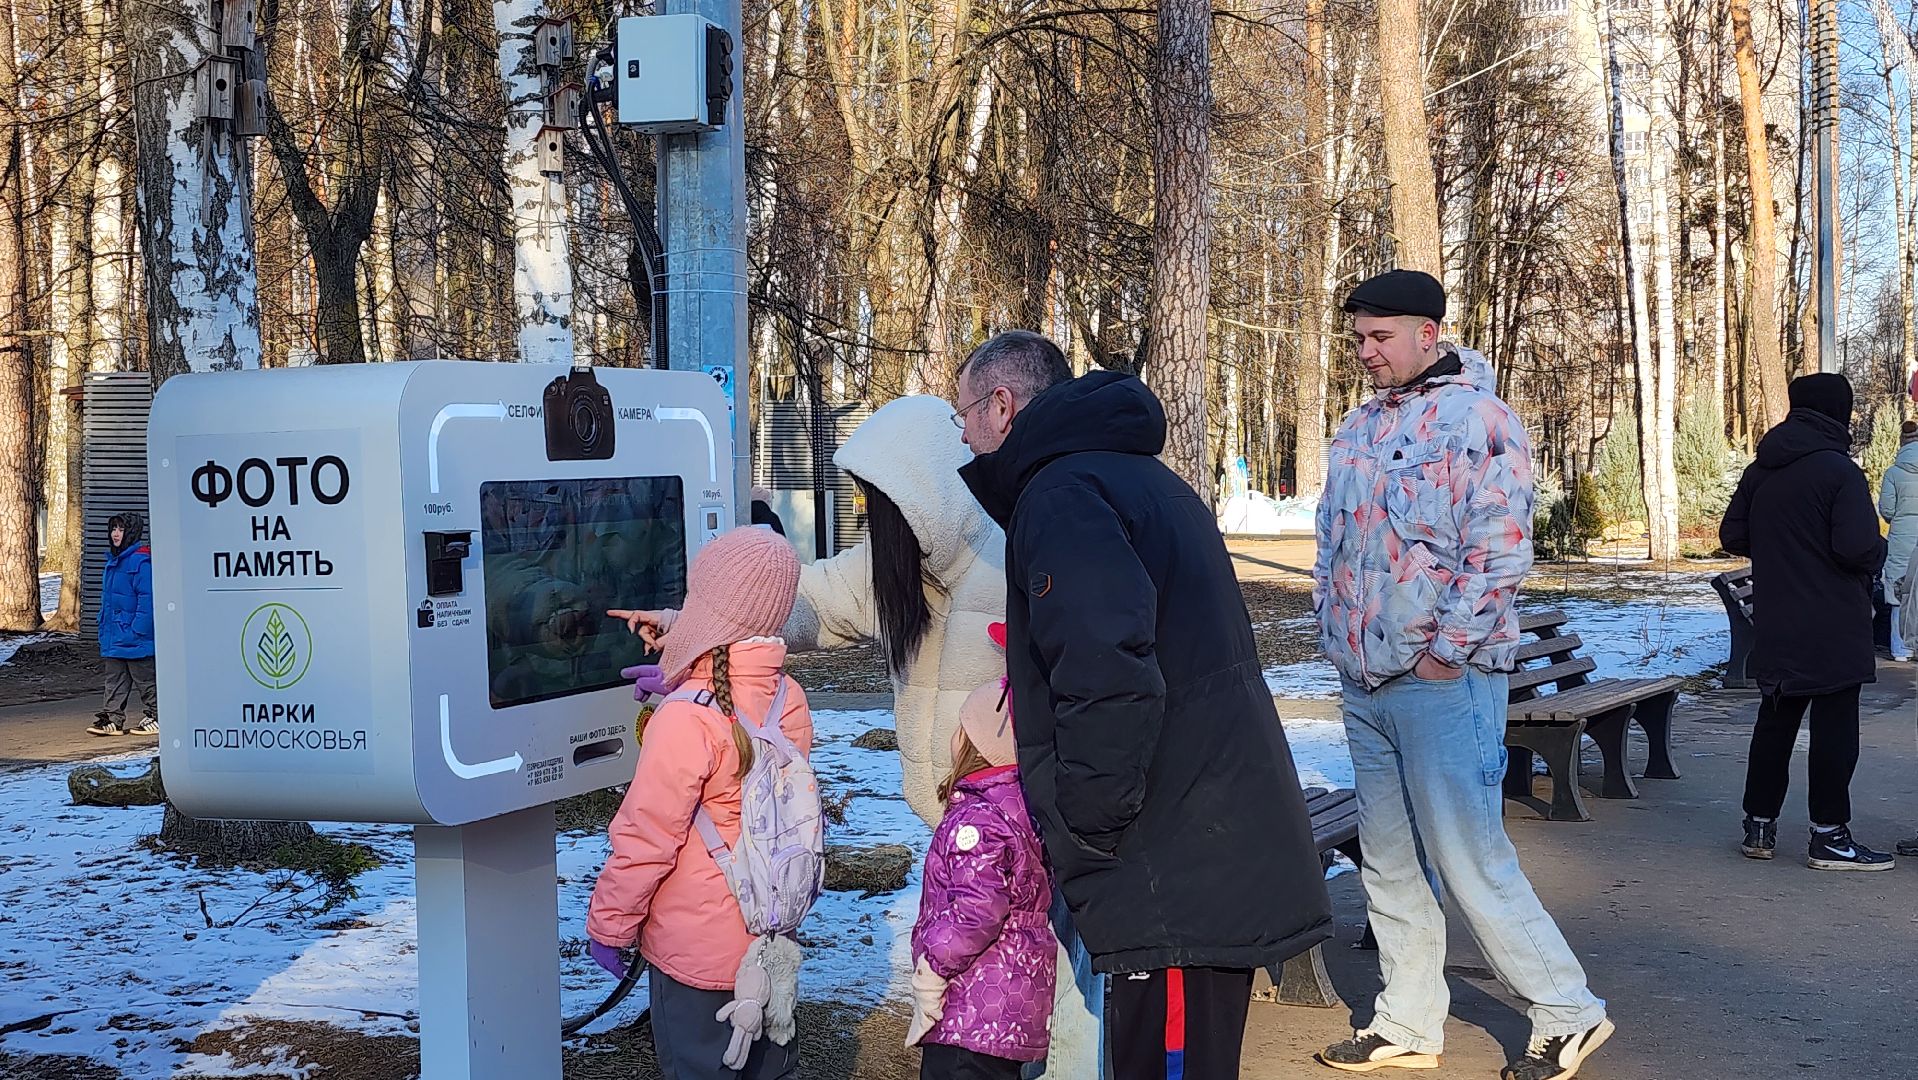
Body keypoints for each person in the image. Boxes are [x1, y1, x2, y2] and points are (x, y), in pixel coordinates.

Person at [956, 330, 1331, 1080]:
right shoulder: (1126, 476)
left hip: (1169, 859)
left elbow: (1108, 675)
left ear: (1001, 406)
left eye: (962, 415)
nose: (963, 438)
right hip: (1191, 835)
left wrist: (1089, 823)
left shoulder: (1062, 496)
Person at [1311, 271, 1613, 1080]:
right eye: (1359, 338)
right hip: (1366, 678)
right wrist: (1334, 629)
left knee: (1469, 858)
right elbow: (1334, 539)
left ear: (1428, 334)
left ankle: (1568, 1010)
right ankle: (1407, 1021)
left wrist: (1447, 650)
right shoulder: (1360, 426)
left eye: (1381, 337)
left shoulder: (1480, 419)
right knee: (1390, 861)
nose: (1366, 352)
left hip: (1444, 679)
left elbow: (1500, 548)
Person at [614, 396, 1004, 828]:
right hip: (954, 825)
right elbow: (801, 601)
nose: (871, 516)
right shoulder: (893, 567)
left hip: (1014, 823)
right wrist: (691, 627)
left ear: (921, 497)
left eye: (879, 502)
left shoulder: (1011, 566)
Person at [587, 527, 810, 1080]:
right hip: (766, 940)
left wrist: (611, 926)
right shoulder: (789, 697)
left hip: (693, 955)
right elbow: (737, 716)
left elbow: (647, 837)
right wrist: (680, 679)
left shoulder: (686, 720)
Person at [1722, 373, 1894, 871]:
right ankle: (1829, 836)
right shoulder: (1840, 472)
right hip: (1833, 621)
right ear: (1838, 412)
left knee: (1775, 723)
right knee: (1834, 728)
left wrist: (1781, 546)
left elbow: (1733, 534)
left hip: (1778, 618)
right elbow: (1856, 547)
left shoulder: (1761, 469)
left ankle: (1759, 826)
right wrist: (1880, 551)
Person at [908, 676, 1057, 1079]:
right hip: (1011, 1004)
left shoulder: (977, 820)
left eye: (961, 727)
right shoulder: (1024, 810)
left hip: (971, 1008)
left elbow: (977, 909)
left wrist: (933, 966)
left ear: (976, 745)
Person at [87, 513, 158, 738]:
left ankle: (158, 715)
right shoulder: (114, 561)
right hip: (115, 633)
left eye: (121, 529)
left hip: (134, 636)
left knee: (145, 679)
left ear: (131, 532)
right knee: (114, 679)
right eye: (113, 529)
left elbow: (147, 600)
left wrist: (138, 630)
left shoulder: (140, 561)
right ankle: (112, 719)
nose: (115, 534)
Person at [1878, 420, 1918, 663]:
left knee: (1899, 591)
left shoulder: (1893, 472)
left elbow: (1887, 510)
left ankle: (1901, 649)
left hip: (1902, 536)